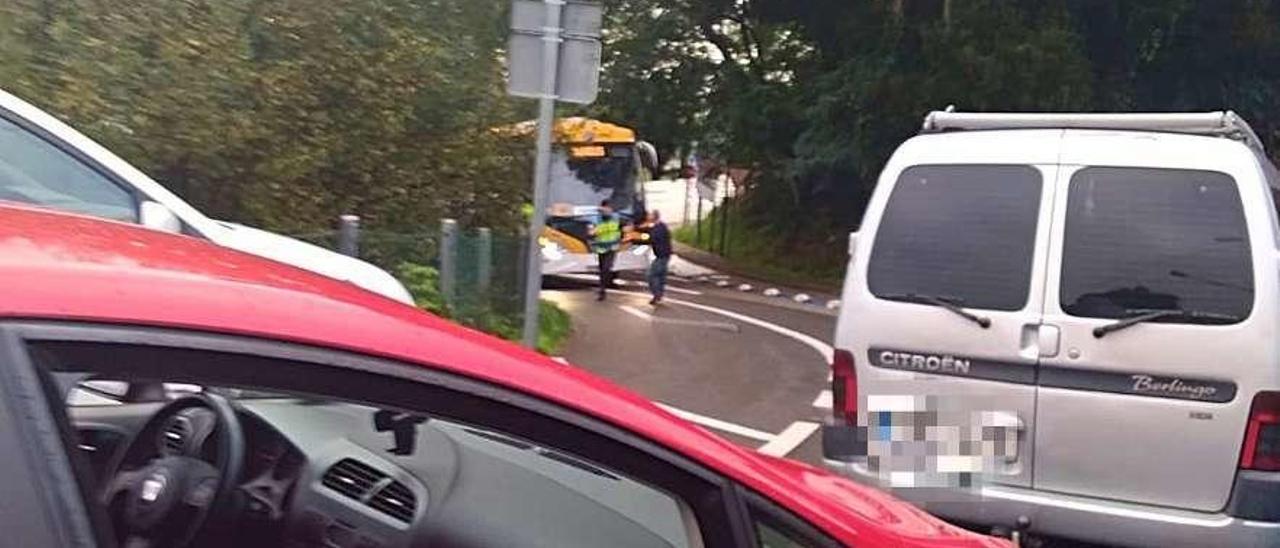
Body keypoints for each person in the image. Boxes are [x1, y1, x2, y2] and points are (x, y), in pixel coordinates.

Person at [588, 199, 622, 301]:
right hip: (601, 248)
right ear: (602, 208)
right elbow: (590, 232)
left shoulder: (616, 217)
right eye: (606, 208)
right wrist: (593, 232)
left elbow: (622, 227)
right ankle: (602, 289)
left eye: (610, 208)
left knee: (607, 268)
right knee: (602, 269)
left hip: (612, 248)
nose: (608, 210)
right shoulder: (595, 219)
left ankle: (603, 288)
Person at [641, 210, 672, 305]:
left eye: (650, 215)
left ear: (654, 217)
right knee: (661, 276)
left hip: (662, 255)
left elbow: (651, 238)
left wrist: (641, 236)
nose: (648, 217)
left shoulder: (659, 228)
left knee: (651, 275)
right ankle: (659, 295)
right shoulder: (661, 226)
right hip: (664, 255)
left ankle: (657, 295)